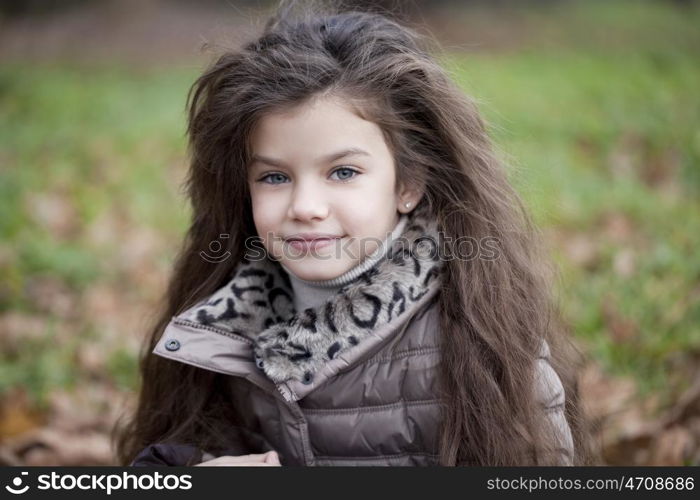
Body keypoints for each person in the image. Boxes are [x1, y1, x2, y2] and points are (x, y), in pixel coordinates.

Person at [115, 0, 592, 466]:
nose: (305, 207)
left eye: (342, 172)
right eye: (274, 177)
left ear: (407, 184)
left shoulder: (479, 338)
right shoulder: (219, 326)